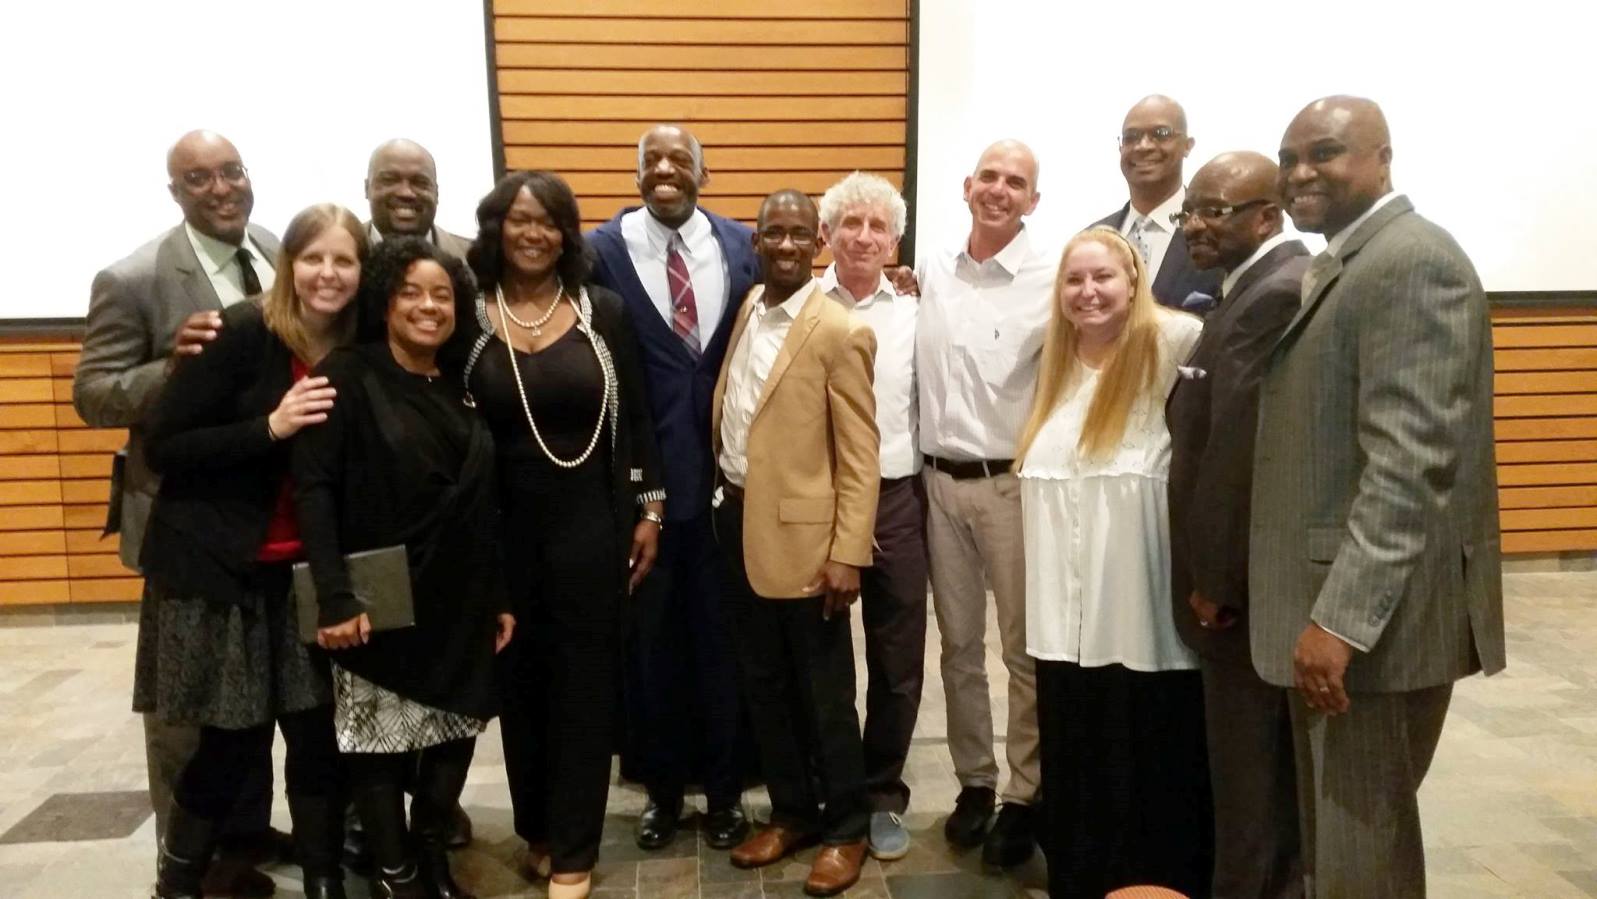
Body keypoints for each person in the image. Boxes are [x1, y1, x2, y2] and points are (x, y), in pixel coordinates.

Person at [1253, 95, 1506, 897]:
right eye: (1289, 157)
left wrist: (1338, 620)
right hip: (1342, 618)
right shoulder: (1354, 260)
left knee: (1363, 854)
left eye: (1323, 153)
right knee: (1339, 846)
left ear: (1381, 157)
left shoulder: (1412, 262)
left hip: (1370, 631)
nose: (1299, 172)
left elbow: (1408, 465)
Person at [134, 202, 370, 899]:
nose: (327, 273)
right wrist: (268, 427)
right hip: (222, 572)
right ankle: (177, 881)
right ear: (289, 264)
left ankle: (324, 878)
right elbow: (164, 446)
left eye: (344, 260)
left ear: (362, 271)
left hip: (310, 573)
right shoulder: (241, 332)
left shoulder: (363, 347)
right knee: (232, 741)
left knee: (316, 737)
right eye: (313, 257)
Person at [73, 130, 283, 896]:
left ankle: (245, 838)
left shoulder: (271, 247)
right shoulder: (133, 277)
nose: (221, 188)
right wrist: (176, 367)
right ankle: (184, 862)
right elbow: (93, 393)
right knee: (187, 705)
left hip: (261, 514)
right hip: (186, 522)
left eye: (231, 171)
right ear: (176, 192)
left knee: (251, 687)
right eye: (199, 179)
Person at [452, 170, 664, 899]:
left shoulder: (601, 311)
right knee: (521, 688)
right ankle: (537, 827)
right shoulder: (465, 317)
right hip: (494, 536)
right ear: (496, 228)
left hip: (589, 529)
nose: (533, 233)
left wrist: (650, 509)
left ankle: (574, 845)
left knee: (583, 690)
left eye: (548, 221)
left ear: (567, 234)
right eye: (519, 219)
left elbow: (636, 417)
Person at [291, 237, 515, 899]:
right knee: (379, 743)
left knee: (457, 728)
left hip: (460, 595)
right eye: (411, 292)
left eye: (442, 294)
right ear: (384, 302)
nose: (428, 306)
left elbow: (483, 502)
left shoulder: (458, 385)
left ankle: (430, 855)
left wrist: (499, 594)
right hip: (376, 597)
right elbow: (314, 490)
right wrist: (333, 596)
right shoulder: (345, 375)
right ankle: (395, 872)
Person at [1015, 226, 1209, 899]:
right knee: (1075, 752)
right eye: (1074, 279)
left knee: (1145, 752)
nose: (1087, 291)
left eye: (1102, 277)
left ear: (1133, 281)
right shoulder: (1055, 363)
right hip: (1063, 619)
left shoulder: (1175, 344)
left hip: (1138, 614)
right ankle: (1079, 876)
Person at [587, 124, 759, 851]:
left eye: (678, 160)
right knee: (651, 650)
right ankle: (660, 791)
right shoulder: (599, 251)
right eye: (650, 160)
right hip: (644, 489)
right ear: (634, 173)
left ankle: (724, 793)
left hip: (728, 488)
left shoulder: (741, 243)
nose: (665, 169)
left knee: (724, 645)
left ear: (702, 171)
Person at [713, 189, 879, 897]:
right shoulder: (749, 306)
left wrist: (848, 551)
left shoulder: (838, 329)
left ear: (818, 243)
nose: (783, 244)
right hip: (737, 522)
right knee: (765, 686)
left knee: (825, 695)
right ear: (755, 240)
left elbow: (860, 451)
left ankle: (846, 828)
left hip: (811, 545)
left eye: (797, 234)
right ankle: (792, 812)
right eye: (771, 232)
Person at [1167, 151, 1310, 899]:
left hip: (1242, 596)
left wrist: (1214, 581)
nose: (1194, 223)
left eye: (1214, 209)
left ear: (1267, 216)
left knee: (1252, 787)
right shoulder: (1246, 287)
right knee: (1253, 783)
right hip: (1241, 591)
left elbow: (1239, 450)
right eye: (1192, 208)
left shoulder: (1272, 294)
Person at [916, 139, 1053, 866]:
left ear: (1034, 199)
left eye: (1016, 182)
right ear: (967, 186)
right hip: (938, 485)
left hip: (1011, 487)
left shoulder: (1051, 277)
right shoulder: (932, 270)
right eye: (989, 177)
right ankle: (975, 780)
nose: (999, 189)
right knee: (958, 647)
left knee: (1023, 651)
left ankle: (1023, 796)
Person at [816, 171, 926, 861]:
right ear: (825, 234)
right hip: (817, 501)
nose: (862, 237)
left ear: (894, 239)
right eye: (849, 224)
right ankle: (832, 791)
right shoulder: (795, 302)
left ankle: (883, 790)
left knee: (897, 656)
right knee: (821, 658)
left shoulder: (919, 308)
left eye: (876, 226)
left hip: (894, 499)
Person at [1091, 95, 1221, 313]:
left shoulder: (1218, 234)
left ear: (1187, 146)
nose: (1143, 146)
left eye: (1160, 134)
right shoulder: (1091, 238)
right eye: (1131, 137)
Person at [364, 139, 473, 259]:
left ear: (436, 193)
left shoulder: (477, 261)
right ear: (367, 189)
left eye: (420, 182)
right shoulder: (343, 252)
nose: (405, 193)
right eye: (390, 180)